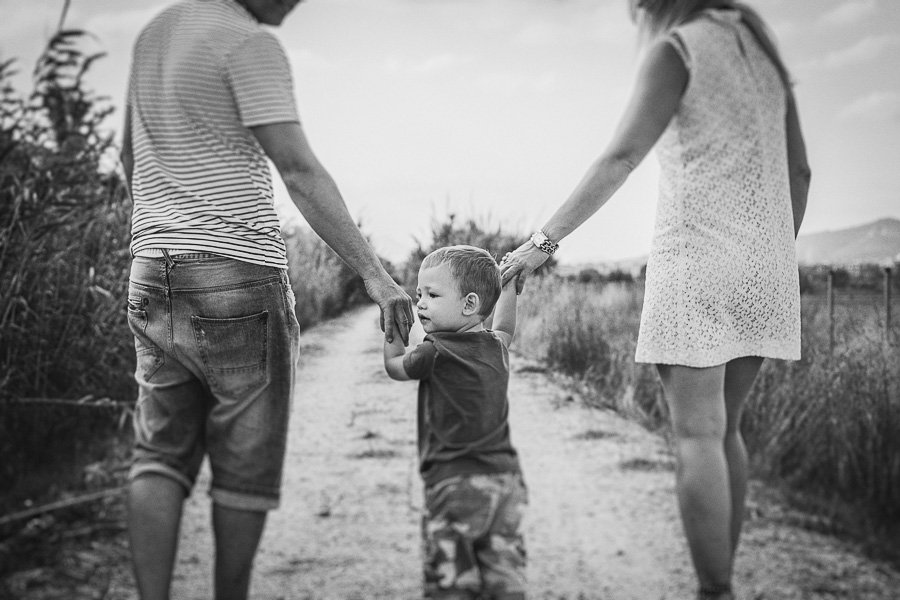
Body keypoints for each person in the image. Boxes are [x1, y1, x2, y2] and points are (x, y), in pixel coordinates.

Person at [499, 1, 810, 598]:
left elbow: (620, 156)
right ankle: (721, 578)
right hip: (766, 267)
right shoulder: (764, 52)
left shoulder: (678, 49)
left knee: (697, 435)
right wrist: (768, 254)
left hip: (696, 264)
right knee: (728, 432)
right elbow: (801, 173)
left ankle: (714, 590)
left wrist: (543, 242)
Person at [118, 1, 414, 598]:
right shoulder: (247, 43)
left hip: (151, 269)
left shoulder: (155, 32)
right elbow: (298, 170)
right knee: (244, 464)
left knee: (159, 455)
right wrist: (375, 277)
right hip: (235, 272)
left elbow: (129, 156)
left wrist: (165, 225)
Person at [384, 245, 528, 600]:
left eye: (432, 295)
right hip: (504, 480)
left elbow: (394, 367)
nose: (420, 304)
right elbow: (505, 327)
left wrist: (393, 329)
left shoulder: (433, 352)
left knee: (450, 580)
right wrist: (507, 287)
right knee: (503, 573)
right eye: (419, 295)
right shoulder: (496, 346)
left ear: (469, 305)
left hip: (453, 483)